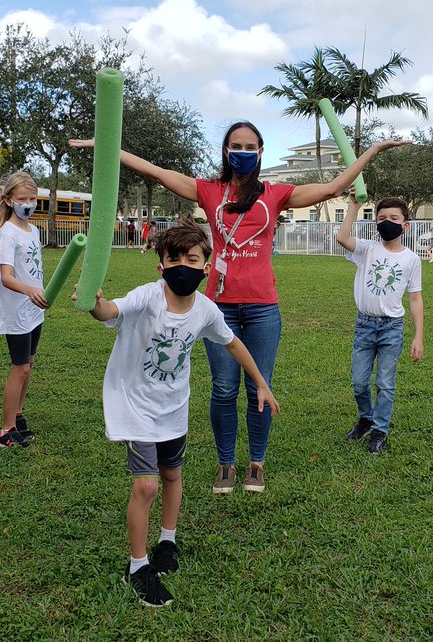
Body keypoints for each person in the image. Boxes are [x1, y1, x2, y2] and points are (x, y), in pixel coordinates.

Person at [70, 122, 407, 494]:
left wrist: (373, 150)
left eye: (250, 146)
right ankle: (226, 464)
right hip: (219, 306)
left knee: (259, 388)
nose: (242, 151)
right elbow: (156, 171)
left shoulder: (276, 194)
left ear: (260, 152)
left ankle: (257, 463)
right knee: (223, 388)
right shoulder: (210, 191)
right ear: (226, 151)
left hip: (263, 307)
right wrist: (106, 145)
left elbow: (332, 188)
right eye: (235, 145)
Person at [77, 218, 280, 607]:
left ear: (207, 267)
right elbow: (110, 311)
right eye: (174, 259)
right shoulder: (147, 297)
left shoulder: (205, 309)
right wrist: (94, 302)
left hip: (173, 408)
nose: (182, 266)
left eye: (192, 259)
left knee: (172, 475)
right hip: (136, 405)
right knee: (146, 485)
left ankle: (167, 540)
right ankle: (138, 566)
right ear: (161, 267)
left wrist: (262, 383)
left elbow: (233, 344)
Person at [335, 196, 424, 454]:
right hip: (364, 325)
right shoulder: (366, 249)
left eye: (394, 218)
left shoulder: (411, 259)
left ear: (405, 225)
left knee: (385, 383)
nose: (387, 223)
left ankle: (379, 431)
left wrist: (418, 336)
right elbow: (342, 237)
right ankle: (366, 419)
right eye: (382, 218)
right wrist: (353, 206)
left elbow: (415, 298)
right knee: (359, 382)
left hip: (391, 329)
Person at [0, 171, 47, 448]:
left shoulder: (33, 230)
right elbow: (7, 277)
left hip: (34, 310)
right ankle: (6, 430)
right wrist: (31, 291)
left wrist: (38, 294)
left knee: (30, 364)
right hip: (16, 311)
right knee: (20, 368)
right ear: (9, 201)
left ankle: (18, 414)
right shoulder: (8, 234)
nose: (28, 203)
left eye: (32, 198)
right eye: (22, 199)